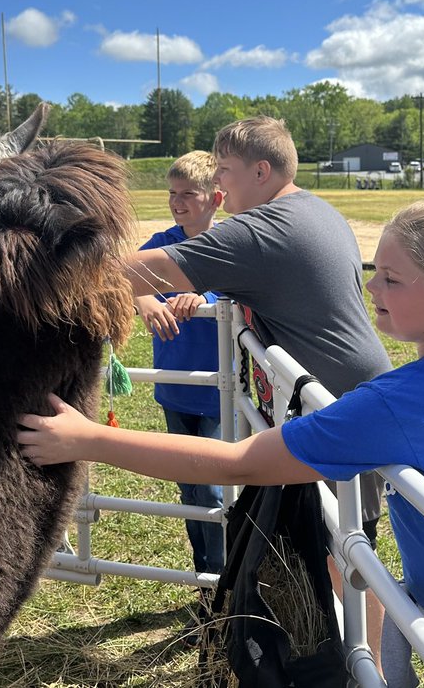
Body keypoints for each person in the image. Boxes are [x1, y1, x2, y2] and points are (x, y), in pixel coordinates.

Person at [19, 197, 424, 686]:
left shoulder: (401, 402)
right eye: (375, 272)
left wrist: (88, 439)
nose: (372, 291)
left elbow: (240, 462)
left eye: (392, 280)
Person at [121, 116, 393, 651]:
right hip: (346, 390)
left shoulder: (261, 231)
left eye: (226, 172)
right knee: (340, 543)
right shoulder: (314, 208)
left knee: (349, 552)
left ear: (261, 171)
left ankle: (377, 670)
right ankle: (347, 656)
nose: (219, 187)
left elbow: (131, 274)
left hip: (335, 402)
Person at [136, 150, 227, 577]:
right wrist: (144, 301)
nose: (178, 202)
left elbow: (240, 295)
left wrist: (204, 298)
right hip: (175, 387)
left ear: (216, 198)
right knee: (189, 490)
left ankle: (222, 578)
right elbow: (124, 276)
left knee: (212, 489)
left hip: (217, 389)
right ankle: (202, 576)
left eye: (189, 193)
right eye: (173, 193)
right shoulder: (161, 244)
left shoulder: (231, 245)